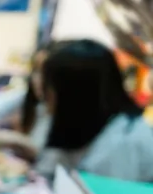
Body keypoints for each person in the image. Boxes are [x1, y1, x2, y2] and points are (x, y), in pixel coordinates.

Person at [33, 39, 153, 182]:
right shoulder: (85, 127)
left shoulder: (124, 142)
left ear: (73, 95)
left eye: (49, 88)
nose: (44, 96)